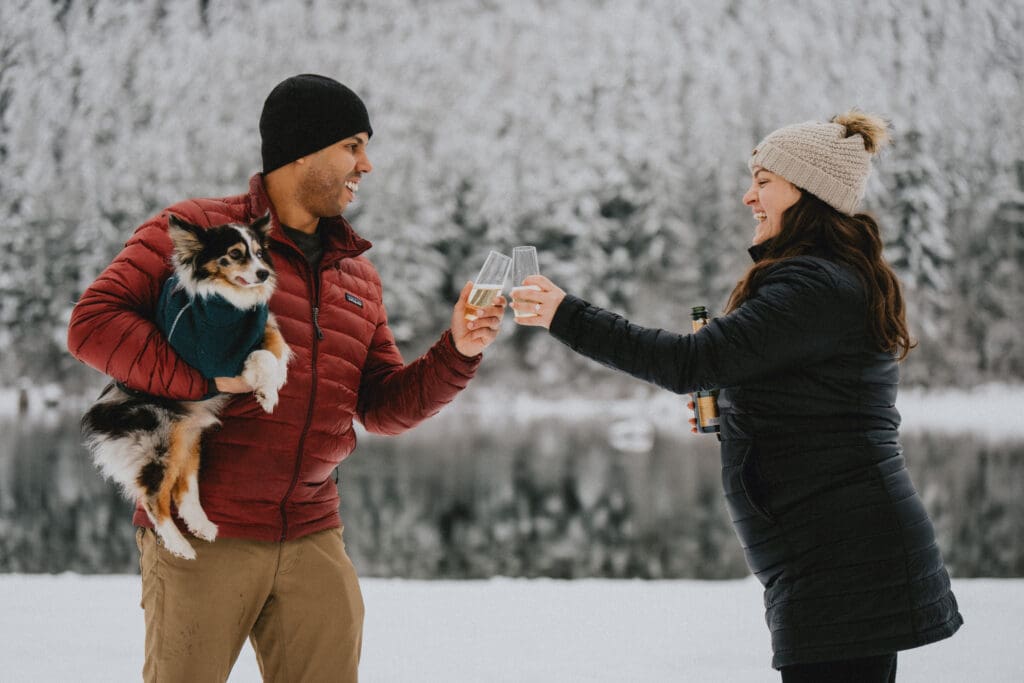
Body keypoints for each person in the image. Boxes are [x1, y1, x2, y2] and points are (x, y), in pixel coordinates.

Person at [67, 74, 506, 682]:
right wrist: (205, 382)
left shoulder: (357, 278)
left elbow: (382, 407)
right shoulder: (200, 229)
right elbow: (92, 325)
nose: (366, 164)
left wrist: (457, 349)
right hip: (205, 532)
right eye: (353, 145)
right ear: (303, 150)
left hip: (312, 533)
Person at [512, 111, 962, 681]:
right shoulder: (826, 278)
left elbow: (688, 362)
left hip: (843, 556)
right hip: (834, 552)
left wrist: (564, 313)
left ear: (808, 192)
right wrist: (737, 411)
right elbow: (818, 404)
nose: (749, 196)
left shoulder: (813, 285)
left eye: (764, 180)